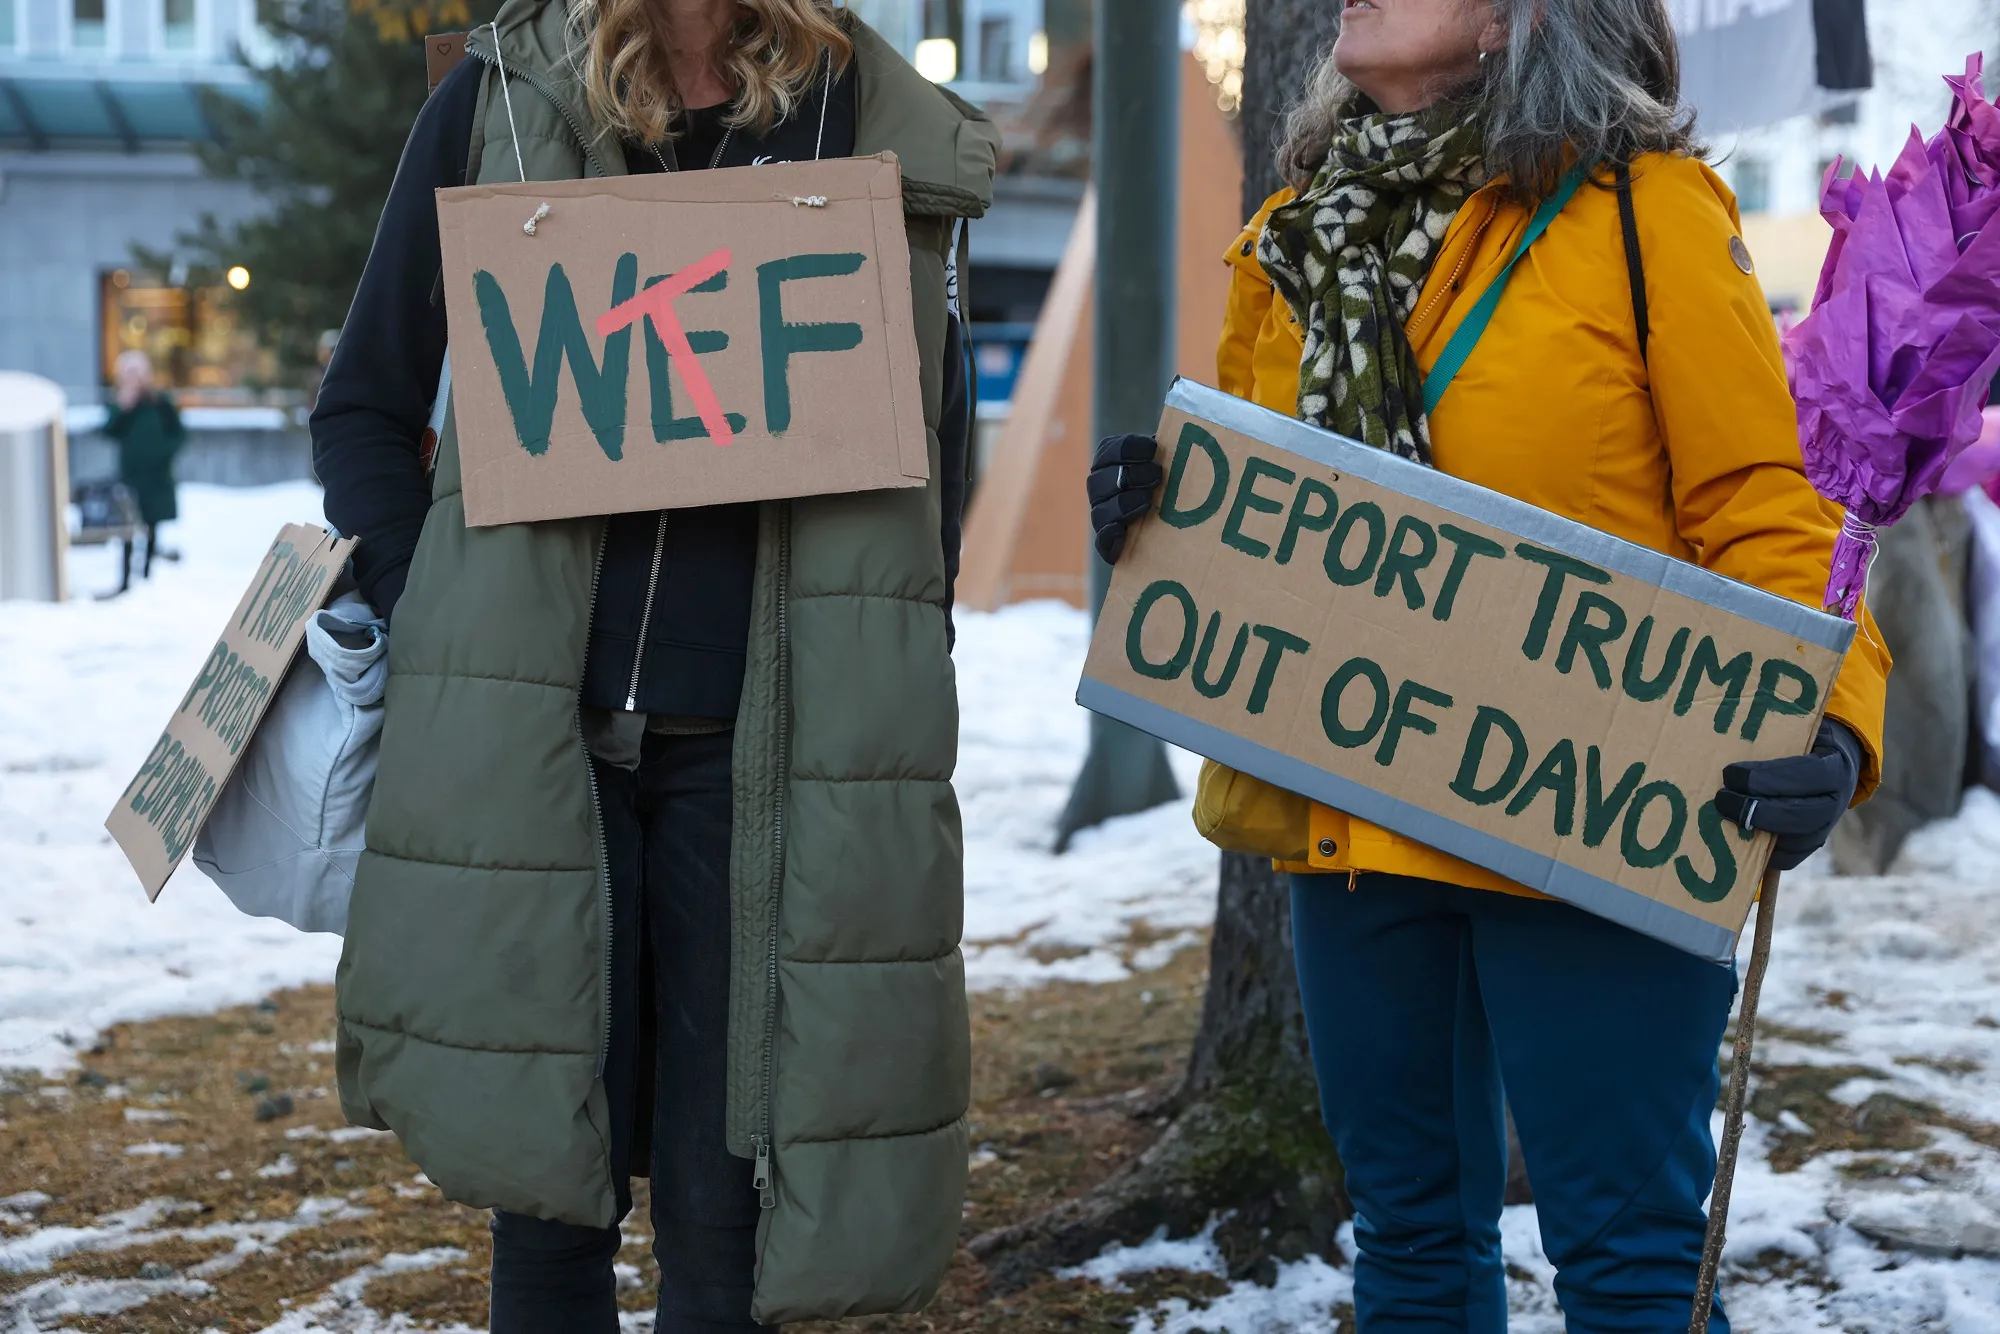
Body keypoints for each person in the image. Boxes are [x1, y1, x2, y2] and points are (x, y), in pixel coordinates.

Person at [1088, 1, 1891, 1330]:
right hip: (1358, 820)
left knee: (1629, 1260)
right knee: (1405, 1242)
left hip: (1598, 814)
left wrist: (1834, 726)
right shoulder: (1297, 230)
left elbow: (1766, 505)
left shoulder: (1647, 213)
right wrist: (1162, 509)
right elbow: (1269, 513)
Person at [310, 0, 992, 1327]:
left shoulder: (862, 116)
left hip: (765, 752)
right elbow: (366, 404)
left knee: (725, 1211)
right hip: (541, 745)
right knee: (548, 1195)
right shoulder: (505, 100)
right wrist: (432, 607)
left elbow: (932, 443)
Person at [102, 349, 185, 593]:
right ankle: (126, 580)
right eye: (128, 372)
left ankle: (147, 577)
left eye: (137, 371)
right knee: (126, 527)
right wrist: (122, 407)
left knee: (151, 525)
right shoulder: (122, 404)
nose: (133, 377)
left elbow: (178, 434)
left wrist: (164, 452)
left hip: (157, 476)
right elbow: (108, 431)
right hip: (130, 477)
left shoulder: (160, 402)